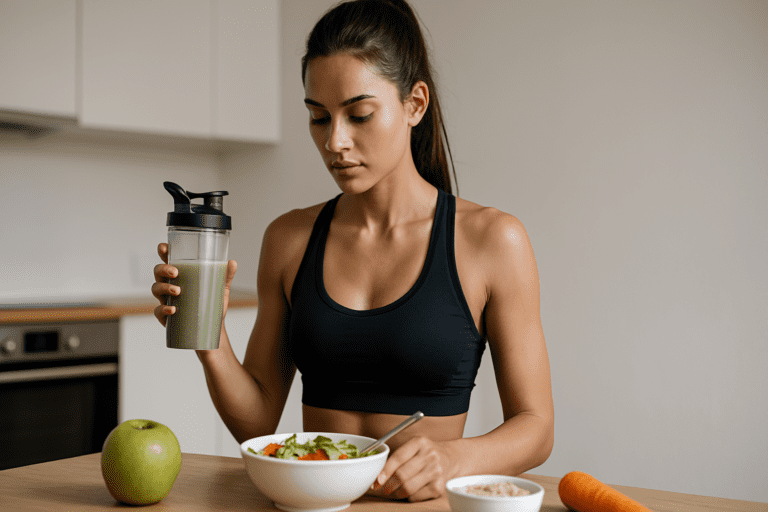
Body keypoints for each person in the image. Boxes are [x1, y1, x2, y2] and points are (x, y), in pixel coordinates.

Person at [152, 0, 553, 502]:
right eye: (318, 118)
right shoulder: (289, 239)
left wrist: (455, 457)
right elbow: (255, 423)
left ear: (415, 105)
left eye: (359, 115)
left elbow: (536, 427)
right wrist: (208, 338)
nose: (335, 141)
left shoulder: (492, 240)